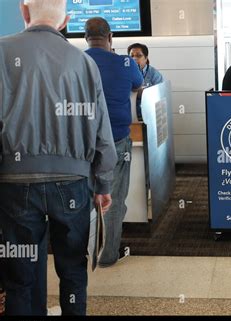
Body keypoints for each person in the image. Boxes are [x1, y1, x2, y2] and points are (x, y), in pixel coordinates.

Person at [0, 0, 117, 315]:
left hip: (14, 182)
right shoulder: (83, 63)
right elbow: (101, 131)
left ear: (24, 13)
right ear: (65, 21)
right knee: (73, 271)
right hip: (73, 182)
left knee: (19, 277)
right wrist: (104, 184)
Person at [85, 18, 144, 268]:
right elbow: (138, 84)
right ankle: (108, 255)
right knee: (114, 199)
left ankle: (81, 255)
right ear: (110, 37)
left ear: (86, 38)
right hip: (117, 140)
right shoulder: (126, 62)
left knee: (83, 200)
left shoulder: (78, 61)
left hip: (82, 144)